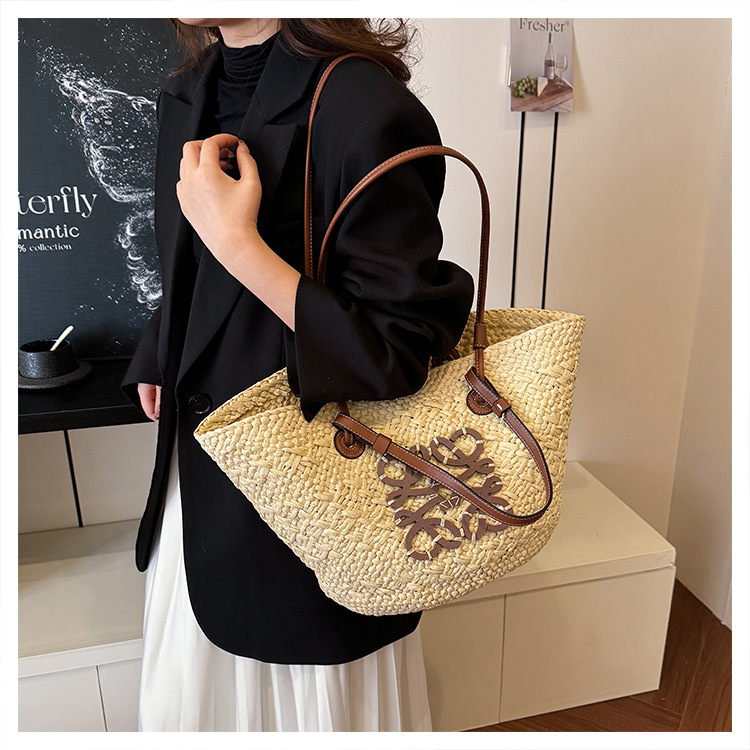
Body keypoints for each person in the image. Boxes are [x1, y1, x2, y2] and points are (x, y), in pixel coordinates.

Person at [121, 17, 475, 732]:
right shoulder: (187, 90)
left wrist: (239, 242)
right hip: (206, 479)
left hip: (314, 496)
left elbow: (394, 350)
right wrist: (163, 345)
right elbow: (186, 264)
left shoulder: (365, 108)